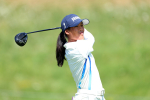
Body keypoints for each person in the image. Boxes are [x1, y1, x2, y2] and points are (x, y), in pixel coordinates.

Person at [56, 14, 105, 100]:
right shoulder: (76, 49)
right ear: (67, 31)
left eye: (82, 25)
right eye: (76, 26)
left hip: (94, 97)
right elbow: (91, 38)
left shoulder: (74, 47)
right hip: (88, 97)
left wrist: (78, 28)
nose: (81, 28)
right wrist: (81, 29)